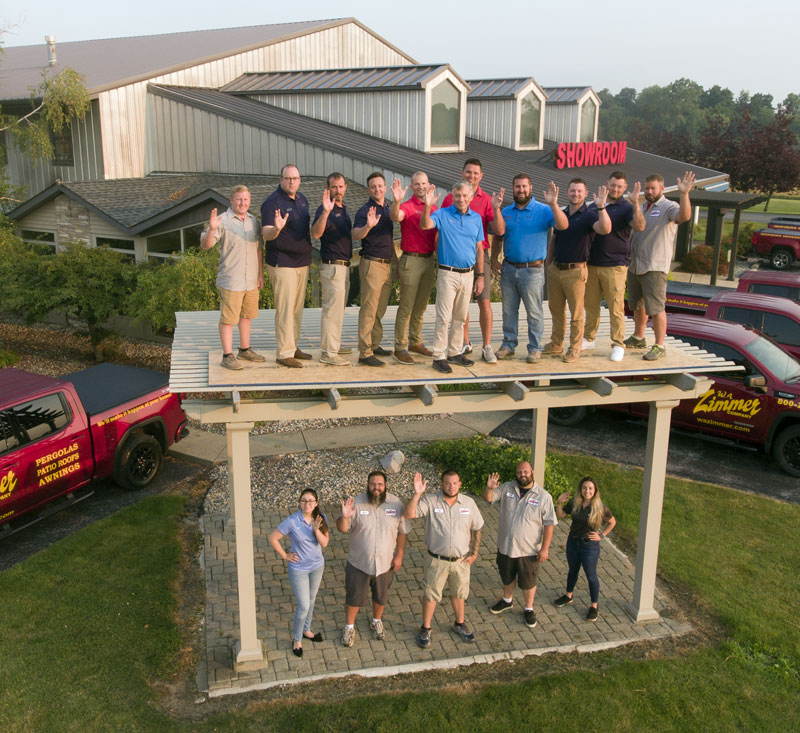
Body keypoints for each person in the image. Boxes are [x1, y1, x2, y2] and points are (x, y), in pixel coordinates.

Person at [421, 181, 501, 373]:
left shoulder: (476, 218)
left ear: (471, 197)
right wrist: (426, 205)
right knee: (444, 316)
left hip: (469, 274)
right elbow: (425, 225)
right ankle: (439, 356)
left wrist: (480, 276)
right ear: (453, 197)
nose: (461, 199)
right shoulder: (442, 214)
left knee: (460, 317)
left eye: (465, 196)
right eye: (457, 196)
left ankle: (455, 352)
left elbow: (479, 248)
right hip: (448, 273)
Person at [403, 470, 484, 648]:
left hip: (460, 561)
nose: (451, 486)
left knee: (459, 593)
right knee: (431, 595)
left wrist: (475, 553)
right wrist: (417, 494)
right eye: (447, 483)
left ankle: (459, 623)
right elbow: (409, 514)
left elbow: (477, 527)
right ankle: (426, 627)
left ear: (460, 484)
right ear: (441, 484)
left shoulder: (469, 503)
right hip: (436, 560)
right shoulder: (431, 501)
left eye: (455, 483)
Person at [493, 176, 568, 363]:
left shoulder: (543, 210)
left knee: (534, 312)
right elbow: (499, 235)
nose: (521, 190)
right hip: (509, 268)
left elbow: (563, 226)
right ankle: (508, 344)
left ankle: (535, 348)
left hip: (532, 270)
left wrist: (554, 204)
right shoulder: (507, 211)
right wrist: (493, 258)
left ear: (531, 187)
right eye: (517, 186)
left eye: (524, 186)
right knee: (508, 311)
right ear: (513, 188)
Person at [625, 171, 695, 361]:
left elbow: (684, 216)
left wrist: (684, 193)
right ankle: (639, 337)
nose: (649, 191)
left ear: (662, 189)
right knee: (637, 305)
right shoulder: (642, 207)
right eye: (647, 188)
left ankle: (659, 345)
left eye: (653, 188)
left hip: (655, 267)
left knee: (656, 308)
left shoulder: (668, 207)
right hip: (636, 265)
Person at [442, 159, 506, 362]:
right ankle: (464, 342)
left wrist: (496, 209)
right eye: (468, 172)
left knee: (484, 300)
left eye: (475, 173)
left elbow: (499, 231)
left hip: (479, 256)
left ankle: (487, 346)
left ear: (481, 176)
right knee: (461, 304)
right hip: (455, 259)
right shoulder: (450, 198)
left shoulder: (487, 200)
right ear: (462, 173)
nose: (471, 176)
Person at [336, 471, 409, 646]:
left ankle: (376, 621)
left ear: (385, 486)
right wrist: (345, 517)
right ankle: (349, 627)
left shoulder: (396, 504)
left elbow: (402, 531)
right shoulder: (356, 503)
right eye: (373, 484)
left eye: (380, 484)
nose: (376, 488)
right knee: (353, 598)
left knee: (380, 597)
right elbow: (342, 529)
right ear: (367, 485)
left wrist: (399, 555)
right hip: (359, 563)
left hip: (385, 564)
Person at [543, 178, 611, 363]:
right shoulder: (562, 212)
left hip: (576, 271)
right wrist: (549, 264)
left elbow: (605, 229)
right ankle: (556, 344)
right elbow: (554, 239)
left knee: (576, 313)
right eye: (573, 191)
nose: (576, 194)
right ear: (567, 192)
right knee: (556, 310)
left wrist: (602, 207)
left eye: (579, 191)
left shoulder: (590, 215)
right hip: (556, 269)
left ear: (586, 193)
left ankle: (574, 347)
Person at [482, 461, 556, 628]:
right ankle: (507, 600)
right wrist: (489, 488)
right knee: (507, 576)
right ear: (516, 474)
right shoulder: (507, 488)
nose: (523, 474)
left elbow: (549, 524)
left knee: (528, 581)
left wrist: (544, 548)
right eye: (519, 472)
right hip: (506, 546)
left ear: (532, 472)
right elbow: (488, 498)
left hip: (528, 550)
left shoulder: (544, 497)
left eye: (526, 471)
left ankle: (528, 609)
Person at [582, 171, 646, 362]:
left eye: (619, 186)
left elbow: (640, 226)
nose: (615, 189)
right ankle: (588, 338)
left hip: (615, 265)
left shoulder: (627, 208)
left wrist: (635, 203)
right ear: (606, 184)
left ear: (624, 188)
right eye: (613, 185)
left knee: (615, 307)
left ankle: (618, 344)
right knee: (591, 305)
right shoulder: (594, 206)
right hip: (592, 263)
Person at [200, 185, 265, 371]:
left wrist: (260, 274)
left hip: (251, 280)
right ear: (231, 200)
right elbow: (206, 245)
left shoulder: (254, 221)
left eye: (245, 199)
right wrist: (212, 229)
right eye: (239, 199)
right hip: (231, 280)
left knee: (247, 316)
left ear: (249, 200)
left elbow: (259, 248)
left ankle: (244, 350)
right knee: (228, 319)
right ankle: (227, 356)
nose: (242, 203)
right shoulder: (222, 220)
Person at [261, 164, 312, 368]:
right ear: (281, 179)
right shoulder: (272, 203)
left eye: (295, 178)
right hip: (282, 262)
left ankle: (293, 345)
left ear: (299, 180)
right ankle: (284, 352)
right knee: (285, 309)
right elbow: (266, 233)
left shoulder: (302, 199)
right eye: (288, 178)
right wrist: (276, 229)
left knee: (297, 309)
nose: (292, 182)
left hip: (302, 263)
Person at [268, 489, 330, 657]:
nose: (307, 504)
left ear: (316, 503)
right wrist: (285, 555)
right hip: (299, 569)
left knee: (311, 599)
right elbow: (272, 538)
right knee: (303, 606)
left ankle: (307, 630)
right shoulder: (292, 521)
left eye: (311, 501)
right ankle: (297, 639)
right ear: (299, 502)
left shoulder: (320, 518)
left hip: (317, 566)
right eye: (303, 500)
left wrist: (316, 530)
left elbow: (324, 543)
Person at [390, 173, 438, 364]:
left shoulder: (433, 207)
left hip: (429, 261)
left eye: (423, 183)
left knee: (421, 306)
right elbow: (396, 216)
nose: (420, 187)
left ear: (429, 185)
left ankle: (415, 341)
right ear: (411, 187)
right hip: (411, 260)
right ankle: (400, 347)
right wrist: (396, 201)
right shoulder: (406, 206)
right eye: (417, 184)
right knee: (407, 306)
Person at [554, 476, 616, 621]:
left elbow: (612, 522)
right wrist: (559, 503)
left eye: (590, 488)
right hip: (573, 543)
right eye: (584, 488)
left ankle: (594, 606)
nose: (587, 491)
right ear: (580, 489)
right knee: (573, 570)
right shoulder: (575, 503)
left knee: (591, 576)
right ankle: (568, 596)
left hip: (589, 546)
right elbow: (561, 515)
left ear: (595, 491)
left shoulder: (600, 507)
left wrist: (602, 535)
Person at [353, 172, 397, 367]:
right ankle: (365, 352)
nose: (377, 189)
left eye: (380, 186)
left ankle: (374, 343)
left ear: (385, 187)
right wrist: (368, 227)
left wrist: (395, 264)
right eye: (373, 187)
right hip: (372, 263)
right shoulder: (365, 211)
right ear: (369, 190)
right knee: (369, 309)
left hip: (387, 264)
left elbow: (390, 240)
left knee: (380, 308)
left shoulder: (387, 208)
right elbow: (355, 234)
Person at [311, 172, 353, 366]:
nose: (338, 190)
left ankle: (334, 344)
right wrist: (326, 212)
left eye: (341, 186)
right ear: (328, 189)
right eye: (334, 187)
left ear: (345, 188)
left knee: (339, 310)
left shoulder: (344, 209)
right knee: (331, 311)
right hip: (332, 267)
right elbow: (316, 234)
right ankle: (328, 353)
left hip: (344, 266)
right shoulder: (325, 208)